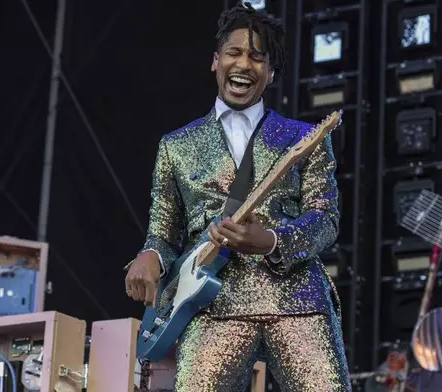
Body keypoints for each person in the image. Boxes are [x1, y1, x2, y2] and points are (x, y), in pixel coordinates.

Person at [124, 3, 351, 391]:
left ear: (271, 72)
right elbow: (163, 231)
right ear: (215, 61)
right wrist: (149, 256)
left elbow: (325, 218)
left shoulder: (304, 138)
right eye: (234, 52)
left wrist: (275, 241)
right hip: (210, 306)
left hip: (298, 301)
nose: (244, 64)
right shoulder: (176, 146)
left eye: (257, 57)